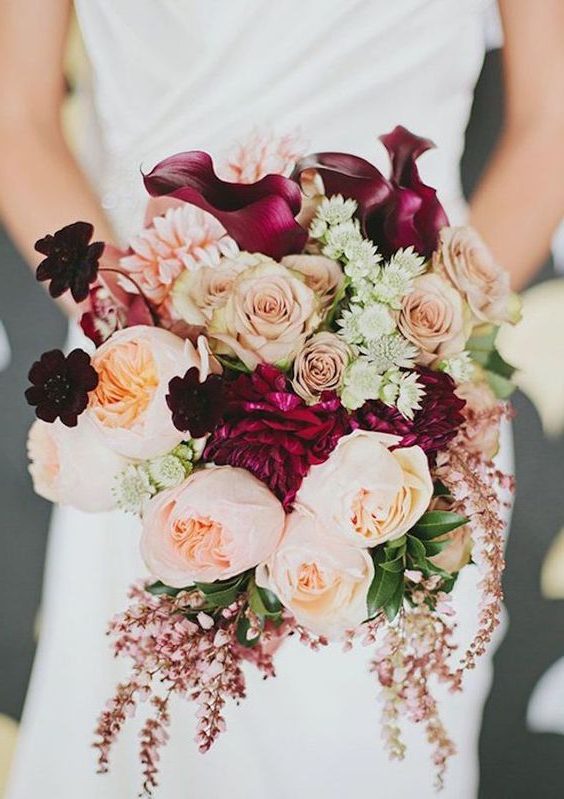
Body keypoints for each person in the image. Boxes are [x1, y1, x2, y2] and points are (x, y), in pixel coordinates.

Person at [1, 2, 563, 797]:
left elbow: (550, 119)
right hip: (156, 408)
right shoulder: (152, 378)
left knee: (367, 751)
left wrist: (416, 352)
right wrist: (148, 342)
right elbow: (16, 114)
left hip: (412, 419)